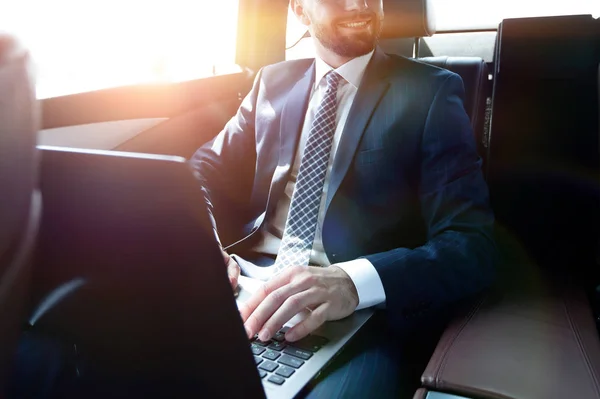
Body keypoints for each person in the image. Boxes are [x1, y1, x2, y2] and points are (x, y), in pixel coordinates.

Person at [191, 0, 496, 397]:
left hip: (359, 316)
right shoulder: (272, 82)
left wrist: (352, 283)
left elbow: (471, 243)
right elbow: (202, 169)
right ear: (300, 10)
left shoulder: (431, 92)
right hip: (248, 287)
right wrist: (201, 243)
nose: (360, 4)